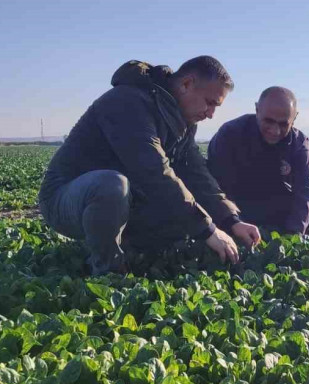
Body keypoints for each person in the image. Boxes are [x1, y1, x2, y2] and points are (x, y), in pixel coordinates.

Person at [38, 57, 261, 275]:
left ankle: (132, 251)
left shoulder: (183, 121)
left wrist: (231, 221)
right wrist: (208, 229)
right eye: (210, 102)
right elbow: (153, 172)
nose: (211, 114)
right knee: (113, 185)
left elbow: (197, 175)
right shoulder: (127, 102)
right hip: (65, 199)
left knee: (177, 213)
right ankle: (108, 272)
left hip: (126, 199)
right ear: (186, 84)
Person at [207, 86, 309, 235]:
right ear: (257, 110)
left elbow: (306, 188)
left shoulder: (299, 143)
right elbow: (216, 185)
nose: (275, 131)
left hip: (273, 203)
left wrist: (293, 234)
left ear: (294, 118)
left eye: (284, 124)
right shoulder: (230, 133)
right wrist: (233, 221)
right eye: (268, 121)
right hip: (238, 203)